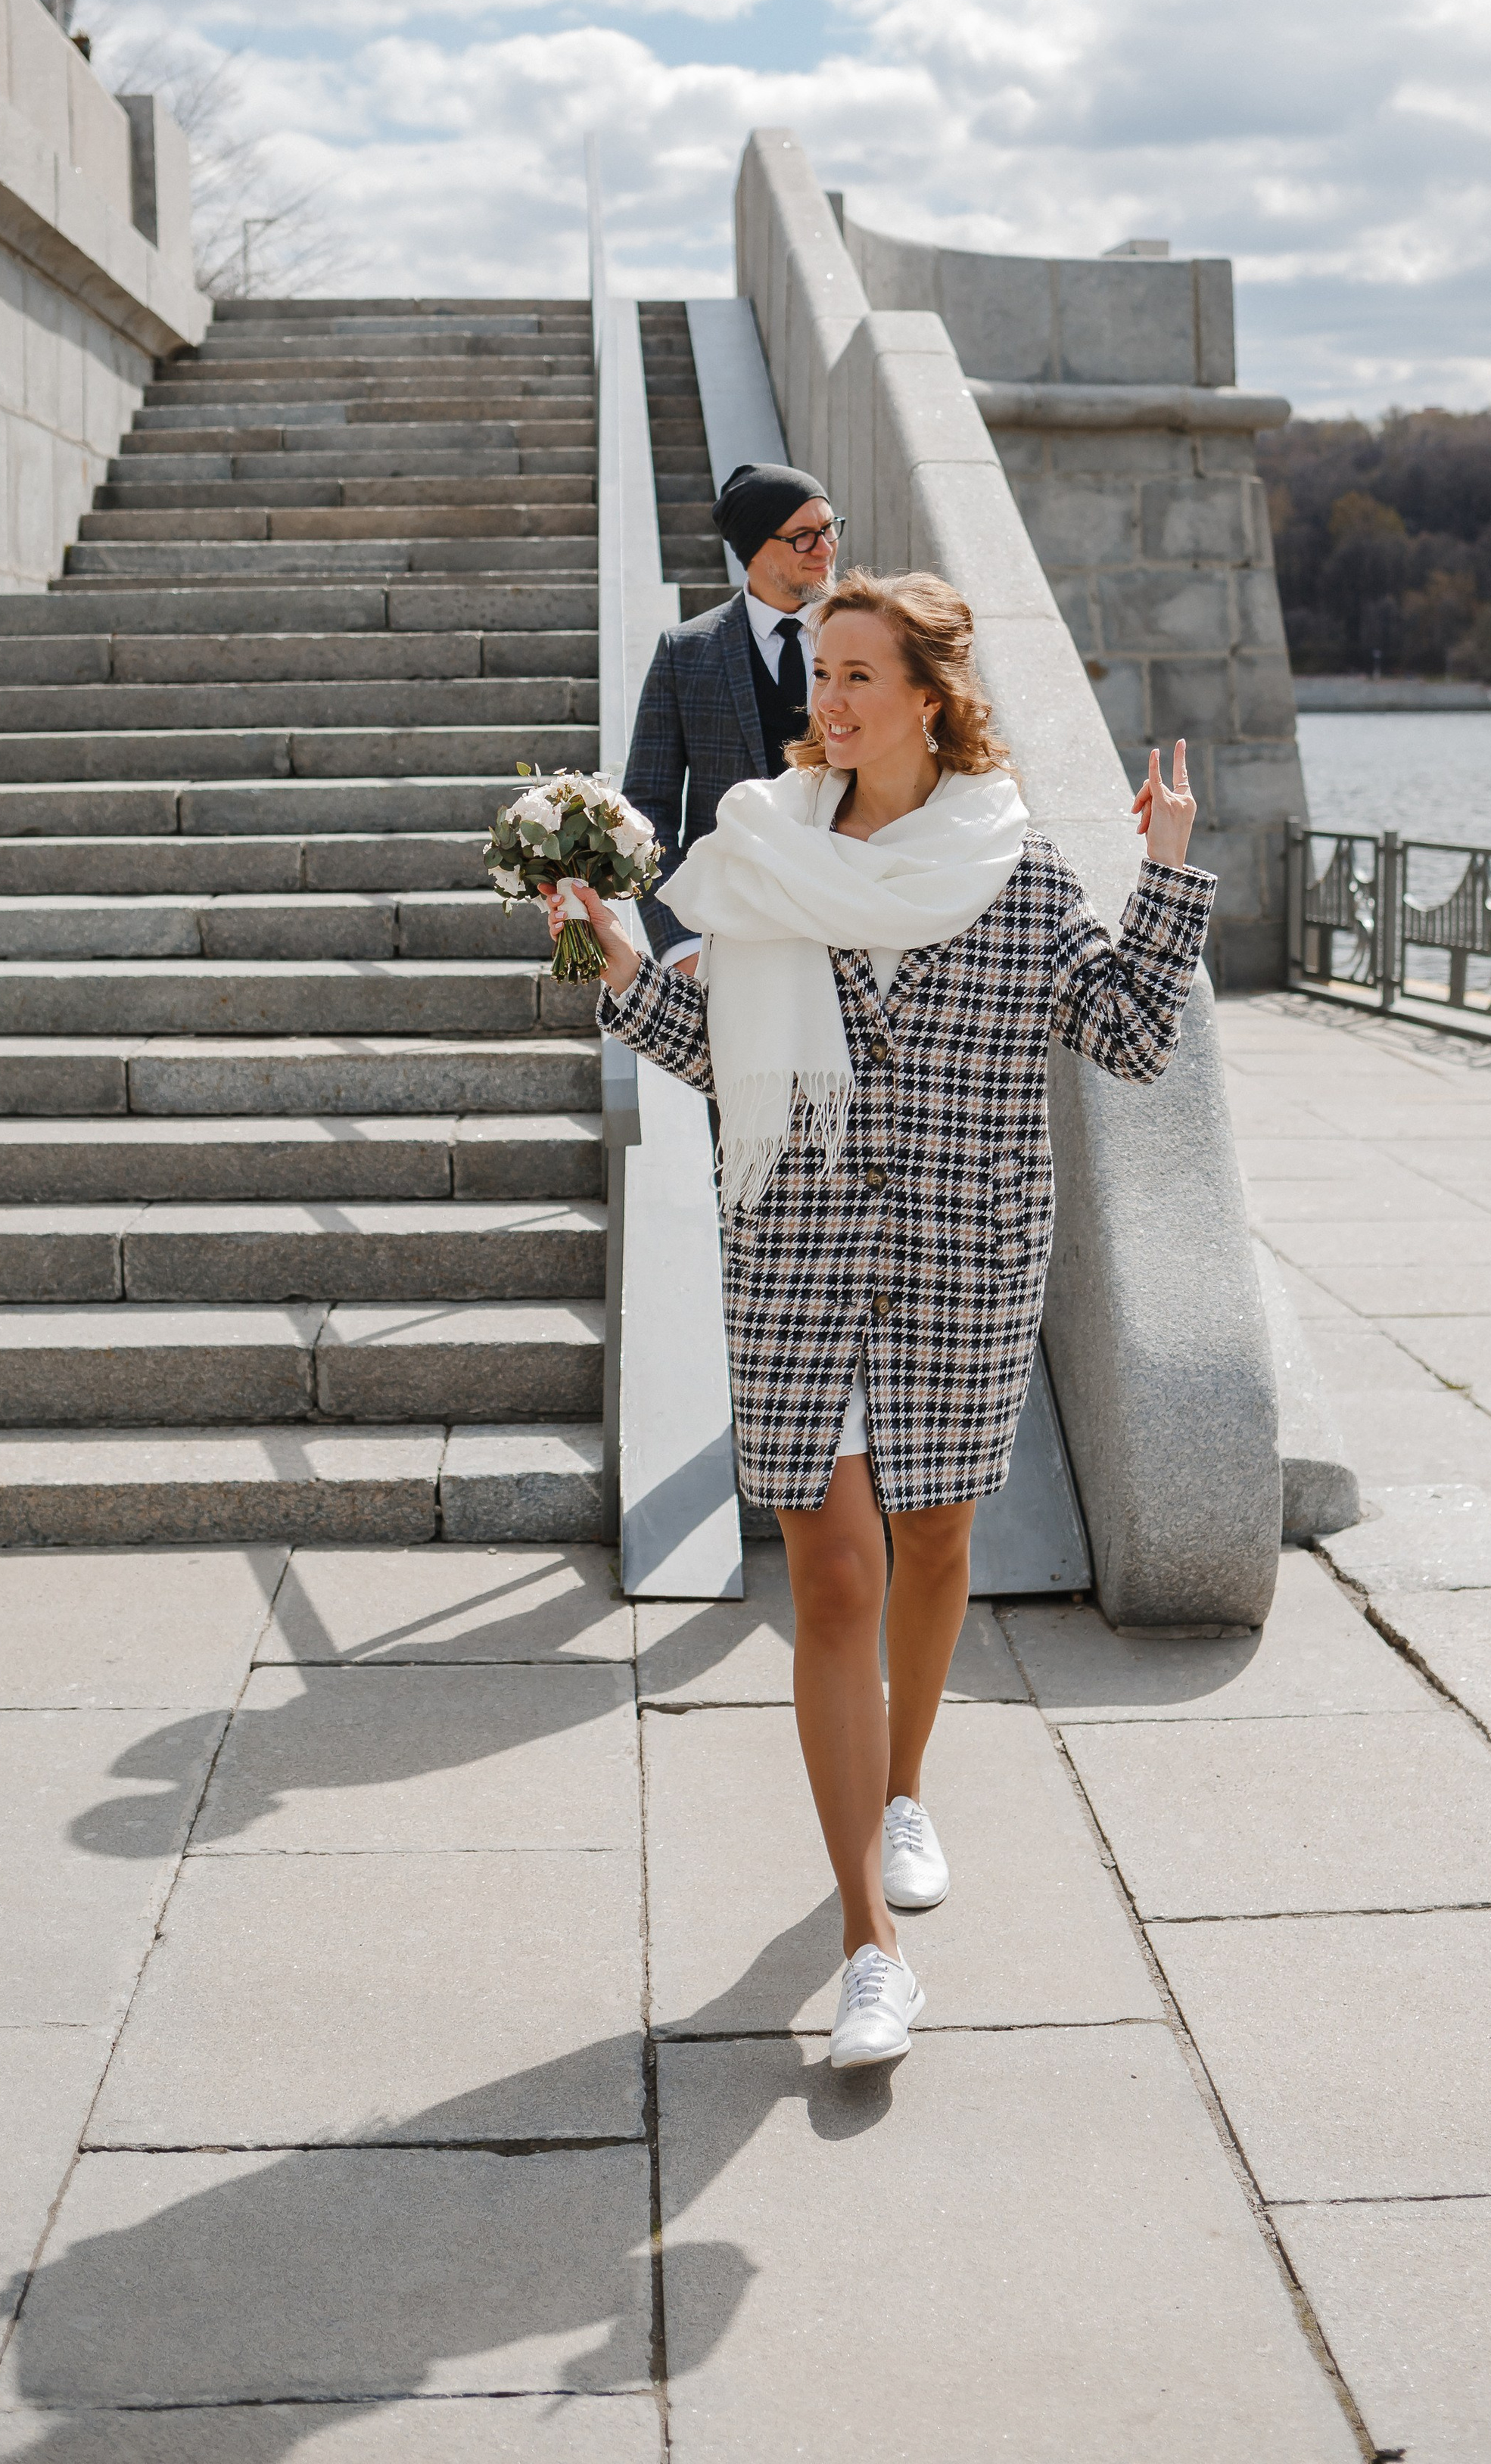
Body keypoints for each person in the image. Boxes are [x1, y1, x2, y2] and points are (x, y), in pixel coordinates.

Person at [551, 568, 1213, 2070]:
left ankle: (902, 1783)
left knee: (931, 1545)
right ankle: (869, 1942)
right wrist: (611, 973)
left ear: (930, 698)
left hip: (962, 1265)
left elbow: (1126, 1038)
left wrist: (1166, 879)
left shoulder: (1022, 873)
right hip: (791, 1251)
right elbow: (726, 1054)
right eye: (820, 675)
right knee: (832, 1578)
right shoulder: (759, 853)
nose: (824, 703)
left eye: (857, 677)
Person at [622, 462, 841, 968]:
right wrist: (681, 942)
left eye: (829, 528)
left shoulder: (871, 637)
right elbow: (646, 809)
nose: (826, 549)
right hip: (727, 935)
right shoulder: (687, 651)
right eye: (804, 536)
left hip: (849, 924)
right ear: (755, 549)